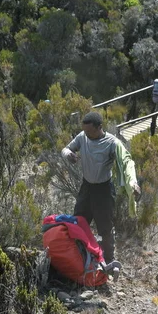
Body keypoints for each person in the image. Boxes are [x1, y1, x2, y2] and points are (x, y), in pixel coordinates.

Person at [61, 112, 140, 264]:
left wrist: (133, 183)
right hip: (86, 187)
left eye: (90, 132)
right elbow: (65, 149)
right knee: (78, 221)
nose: (87, 134)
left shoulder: (112, 143)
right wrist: (68, 154)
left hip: (104, 190)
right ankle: (78, 256)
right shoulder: (82, 137)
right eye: (85, 131)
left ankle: (109, 261)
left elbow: (126, 162)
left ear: (100, 127)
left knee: (105, 227)